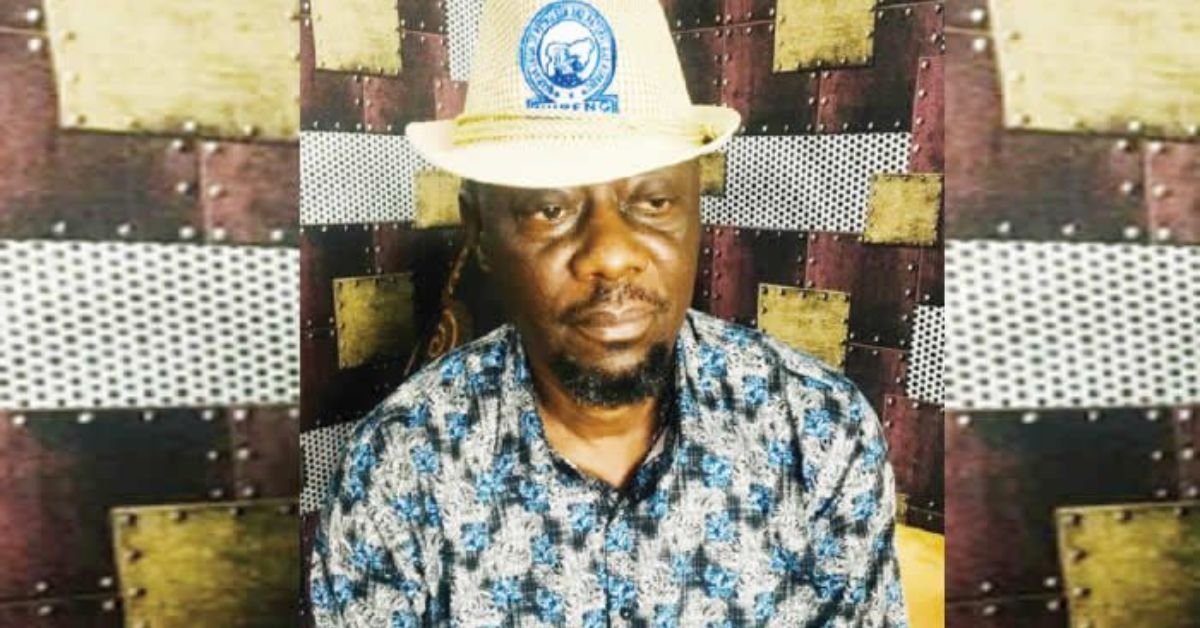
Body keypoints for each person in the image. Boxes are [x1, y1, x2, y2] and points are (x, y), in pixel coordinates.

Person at [309, 0, 907, 625]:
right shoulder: (397, 468)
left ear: (695, 209)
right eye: (550, 210)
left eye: (653, 202)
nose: (611, 255)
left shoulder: (819, 432)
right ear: (479, 230)